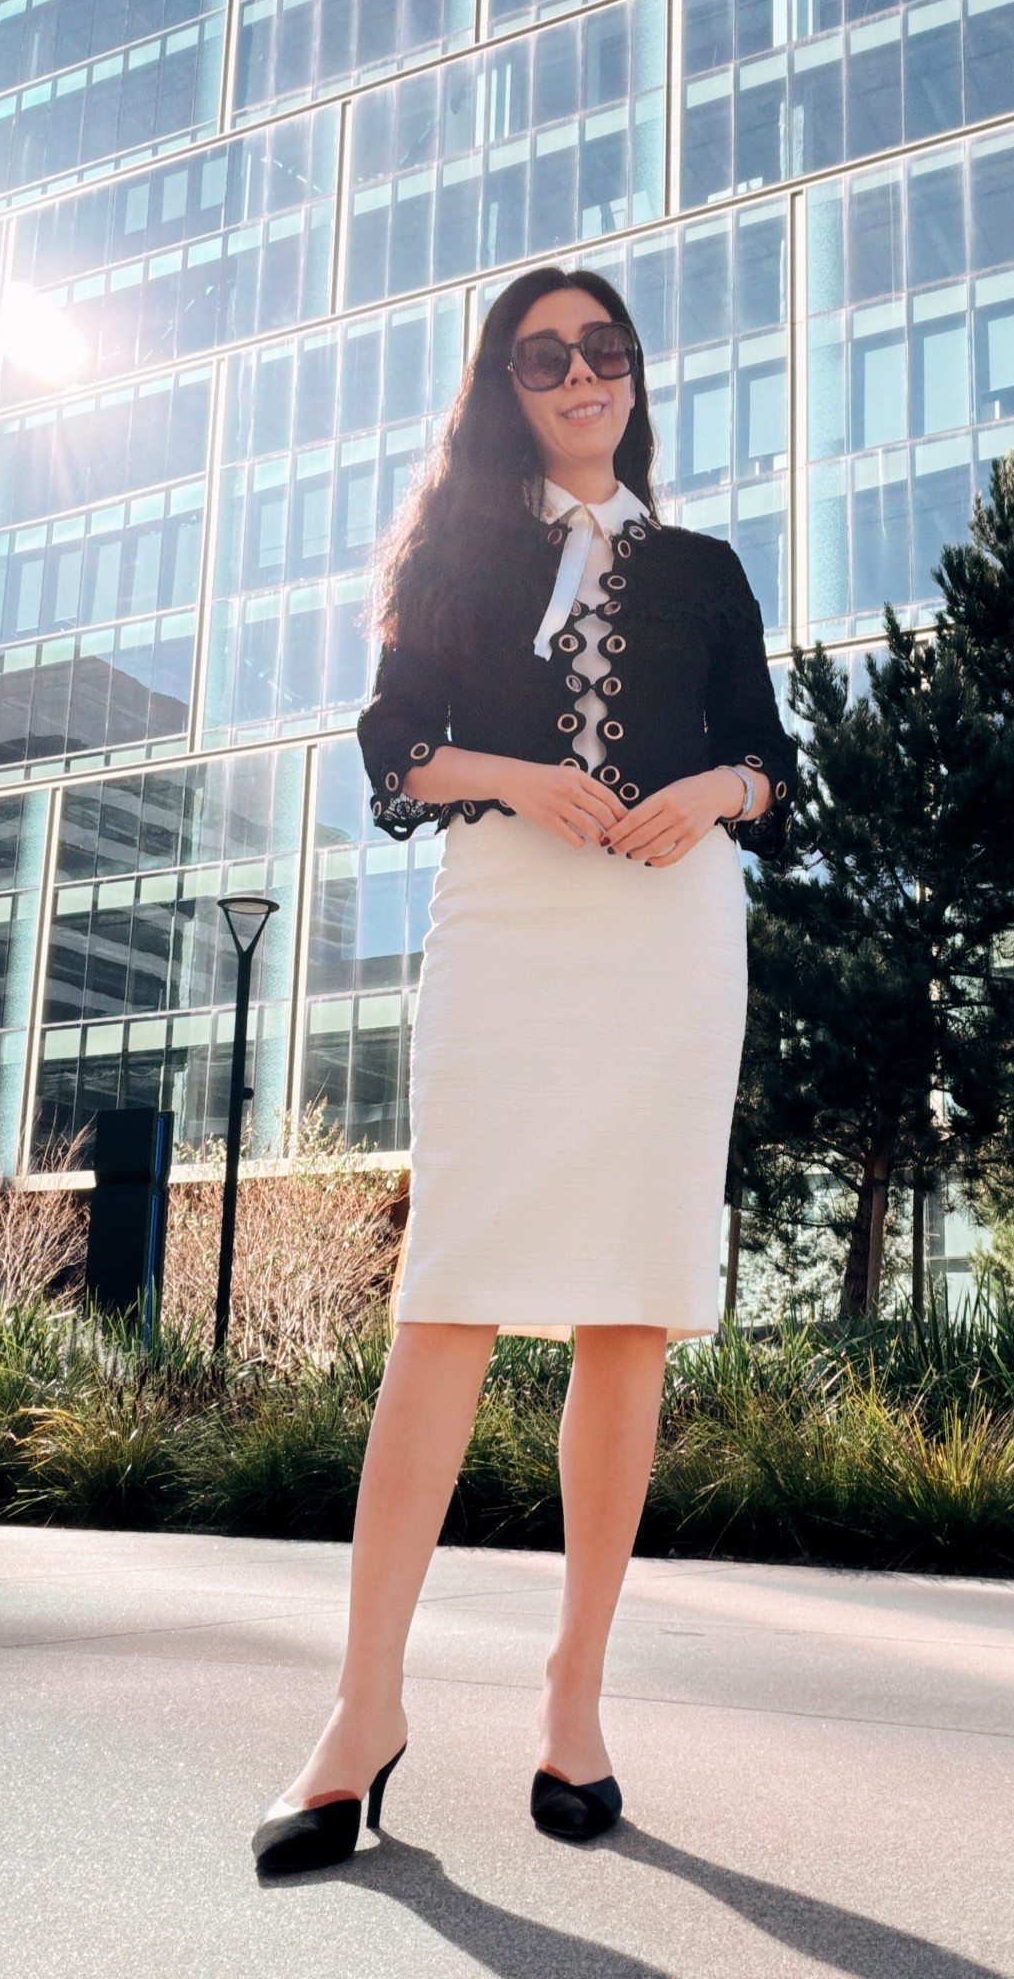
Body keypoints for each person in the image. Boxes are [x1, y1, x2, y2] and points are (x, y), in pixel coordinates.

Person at [251, 265, 796, 1873]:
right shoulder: (458, 554)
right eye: (545, 355)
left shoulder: (704, 569)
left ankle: (574, 1700)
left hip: (670, 934)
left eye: (603, 349)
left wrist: (713, 794)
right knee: (448, 1300)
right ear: (506, 384)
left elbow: (774, 762)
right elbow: (393, 748)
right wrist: (524, 777)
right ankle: (362, 1713)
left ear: (634, 373)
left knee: (629, 1312)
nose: (580, 374)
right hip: (506, 915)